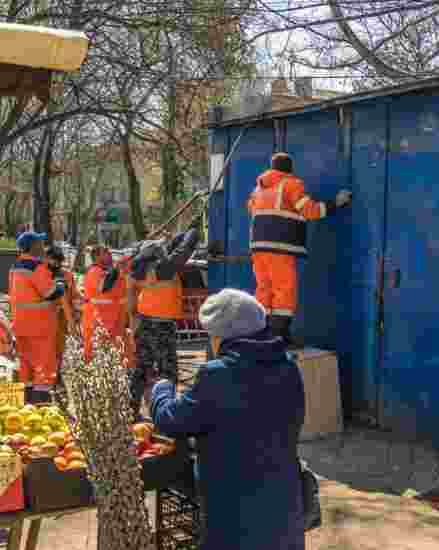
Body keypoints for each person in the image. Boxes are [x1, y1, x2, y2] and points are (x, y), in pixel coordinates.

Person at [149, 289, 306, 550]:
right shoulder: (289, 367)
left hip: (235, 515)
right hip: (284, 505)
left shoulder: (217, 376)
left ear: (221, 336)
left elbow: (171, 420)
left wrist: (161, 389)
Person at [247, 152, 352, 347]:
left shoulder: (258, 189)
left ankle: (262, 333)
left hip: (258, 248)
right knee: (285, 289)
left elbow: (251, 209)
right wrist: (335, 204)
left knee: (264, 289)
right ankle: (279, 336)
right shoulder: (291, 184)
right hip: (280, 247)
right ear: (289, 168)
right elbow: (309, 210)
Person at [127, 227, 200, 417]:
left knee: (141, 369)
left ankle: (130, 411)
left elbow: (175, 247)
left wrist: (172, 239)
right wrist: (192, 228)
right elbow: (188, 244)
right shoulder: (164, 268)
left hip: (145, 324)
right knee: (169, 373)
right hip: (161, 327)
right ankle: (167, 413)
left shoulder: (146, 270)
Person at [9, 231, 65, 402]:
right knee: (44, 367)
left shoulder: (15, 267)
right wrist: (61, 285)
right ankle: (42, 404)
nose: (43, 246)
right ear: (33, 246)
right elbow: (51, 292)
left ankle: (25, 403)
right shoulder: (36, 268)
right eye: (40, 243)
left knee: (26, 367)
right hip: (40, 327)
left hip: (21, 324)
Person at [82, 244, 127, 360]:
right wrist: (117, 269)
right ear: (96, 257)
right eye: (106, 252)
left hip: (113, 320)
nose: (110, 253)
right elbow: (104, 286)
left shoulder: (110, 271)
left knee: (113, 354)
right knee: (96, 354)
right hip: (98, 320)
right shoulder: (94, 271)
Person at [45, 242, 78, 386]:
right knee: (49, 350)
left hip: (63, 316)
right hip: (48, 316)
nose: (56, 263)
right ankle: (51, 378)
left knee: (61, 349)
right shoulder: (42, 273)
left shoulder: (67, 275)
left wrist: (80, 305)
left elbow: (72, 294)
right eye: (53, 260)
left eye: (58, 261)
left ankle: (57, 377)